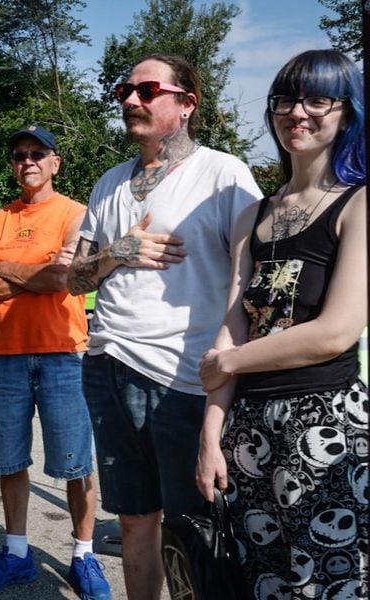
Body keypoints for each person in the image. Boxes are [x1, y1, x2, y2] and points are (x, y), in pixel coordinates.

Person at [66, 54, 262, 599]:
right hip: (107, 365)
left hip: (182, 377)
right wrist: (119, 252)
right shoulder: (109, 182)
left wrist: (227, 374)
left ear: (187, 103)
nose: (131, 99)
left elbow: (246, 285)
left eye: (148, 89)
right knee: (134, 520)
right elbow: (73, 280)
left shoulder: (225, 174)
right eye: (124, 90)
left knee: (195, 530)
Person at [196, 49, 367, 598]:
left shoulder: (359, 204)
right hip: (249, 429)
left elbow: (336, 332)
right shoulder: (255, 214)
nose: (299, 112)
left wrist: (229, 362)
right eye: (287, 99)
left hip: (327, 426)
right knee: (260, 579)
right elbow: (233, 321)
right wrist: (210, 436)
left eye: (319, 98)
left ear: (348, 112)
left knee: (328, 581)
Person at [0, 125, 109, 598]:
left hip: (64, 352)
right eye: (18, 154)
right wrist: (37, 273)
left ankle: (83, 556)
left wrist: (8, 268)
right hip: (4, 352)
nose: (26, 160)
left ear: (55, 162)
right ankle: (17, 553)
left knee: (76, 464)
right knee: (9, 461)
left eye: (36, 153)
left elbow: (66, 279)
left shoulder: (75, 214)